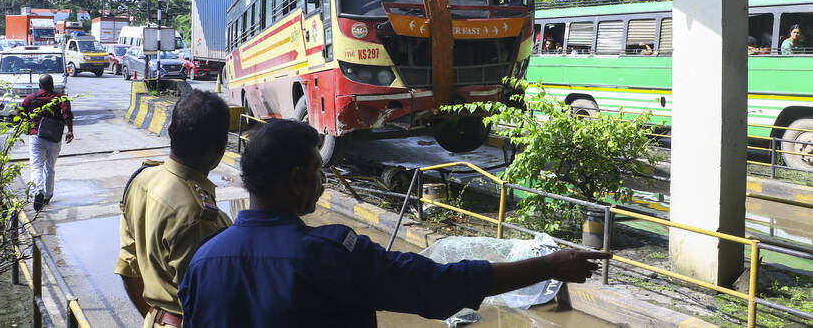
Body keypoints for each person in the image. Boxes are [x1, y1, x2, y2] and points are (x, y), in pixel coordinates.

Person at [179, 120, 612, 327]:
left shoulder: (203, 261)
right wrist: (550, 265)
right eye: (317, 171)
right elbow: (437, 286)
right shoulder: (331, 255)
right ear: (296, 180)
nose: (322, 181)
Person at [116, 90, 232, 328]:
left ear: (169, 130)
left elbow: (128, 268)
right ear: (220, 149)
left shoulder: (141, 180)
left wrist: (157, 317)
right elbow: (212, 308)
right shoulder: (201, 219)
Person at [20, 74, 74, 212]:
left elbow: (21, 113)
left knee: (36, 166)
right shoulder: (61, 98)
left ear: (39, 86)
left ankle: (38, 191)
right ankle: (47, 195)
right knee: (50, 166)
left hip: (36, 136)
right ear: (52, 85)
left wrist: (27, 126)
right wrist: (70, 131)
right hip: (54, 137)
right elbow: (67, 114)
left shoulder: (31, 98)